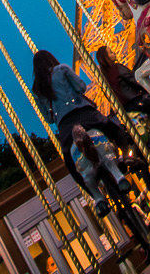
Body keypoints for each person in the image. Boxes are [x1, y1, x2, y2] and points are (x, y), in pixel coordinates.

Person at [31, 50, 129, 189]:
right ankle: (125, 156)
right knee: (112, 128)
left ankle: (96, 197)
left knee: (70, 163)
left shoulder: (36, 89)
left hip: (65, 126)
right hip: (84, 113)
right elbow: (81, 87)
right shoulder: (62, 69)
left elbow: (49, 119)